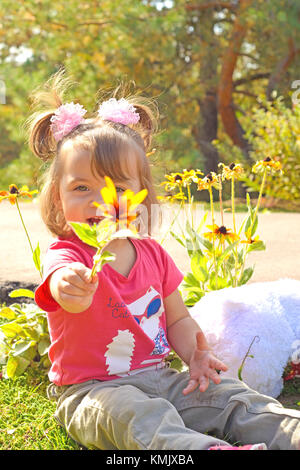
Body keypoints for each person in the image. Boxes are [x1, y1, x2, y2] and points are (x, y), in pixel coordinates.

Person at [29, 71, 300, 451]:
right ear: (58, 198)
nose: (99, 200)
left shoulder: (152, 254)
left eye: (117, 188)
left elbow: (177, 319)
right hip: (93, 393)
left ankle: (289, 432)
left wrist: (194, 354)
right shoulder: (68, 255)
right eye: (81, 188)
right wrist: (70, 285)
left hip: (162, 378)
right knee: (139, 417)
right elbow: (62, 287)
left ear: (141, 196)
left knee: (234, 398)